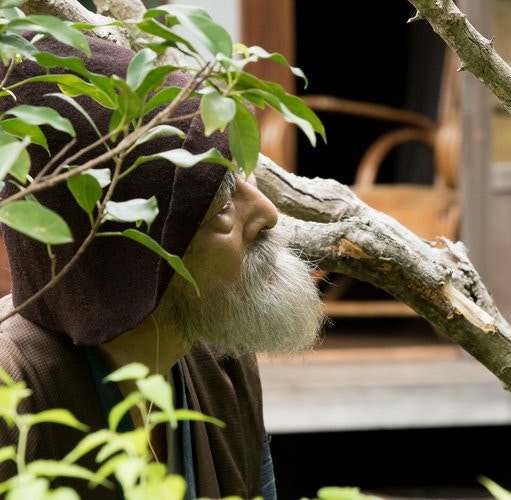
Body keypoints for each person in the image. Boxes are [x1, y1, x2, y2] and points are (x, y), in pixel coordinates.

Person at [0, 33, 326, 499]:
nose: (267, 214)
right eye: (221, 205)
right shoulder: (9, 393)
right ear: (131, 257)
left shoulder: (220, 360)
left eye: (243, 177)